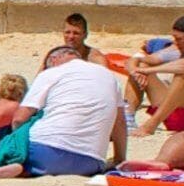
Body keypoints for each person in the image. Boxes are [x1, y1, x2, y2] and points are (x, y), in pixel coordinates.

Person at [16, 42, 130, 176]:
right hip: (91, 163)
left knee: (3, 149)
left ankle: (18, 166)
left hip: (44, 153)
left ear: (53, 60)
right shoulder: (110, 76)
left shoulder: (51, 73)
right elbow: (120, 123)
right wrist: (119, 159)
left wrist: (16, 147)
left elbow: (19, 118)